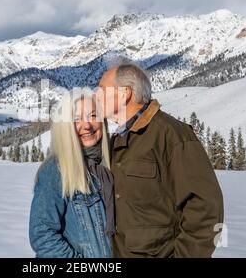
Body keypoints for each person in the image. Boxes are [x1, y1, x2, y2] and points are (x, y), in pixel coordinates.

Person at [96, 59, 224, 258]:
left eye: (102, 89)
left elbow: (206, 210)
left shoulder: (171, 135)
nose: (96, 96)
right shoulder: (118, 139)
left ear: (125, 94)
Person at [29, 90, 114, 257]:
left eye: (93, 115)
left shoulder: (108, 165)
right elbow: (42, 235)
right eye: (76, 119)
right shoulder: (56, 170)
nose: (87, 125)